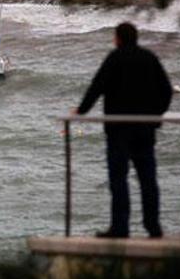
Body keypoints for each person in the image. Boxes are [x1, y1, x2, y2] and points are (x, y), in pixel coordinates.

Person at [73, 22, 173, 239]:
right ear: (136, 38)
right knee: (148, 180)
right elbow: (166, 90)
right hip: (145, 130)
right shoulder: (149, 58)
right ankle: (153, 227)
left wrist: (81, 111)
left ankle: (120, 227)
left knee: (119, 180)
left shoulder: (114, 58)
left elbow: (97, 87)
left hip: (118, 131)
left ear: (118, 38)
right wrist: (156, 115)